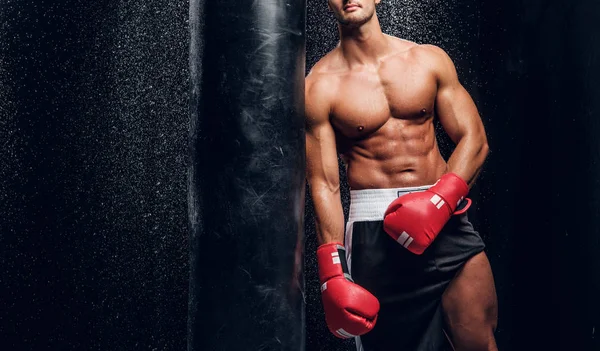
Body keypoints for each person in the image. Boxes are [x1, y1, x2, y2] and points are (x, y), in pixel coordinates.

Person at [305, 0, 498, 350]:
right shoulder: (319, 87)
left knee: (479, 342)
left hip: (447, 222)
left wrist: (439, 201)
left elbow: (476, 140)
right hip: (375, 234)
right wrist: (333, 271)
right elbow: (325, 184)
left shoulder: (428, 59)